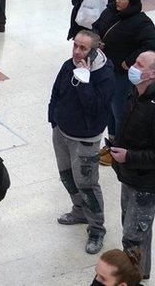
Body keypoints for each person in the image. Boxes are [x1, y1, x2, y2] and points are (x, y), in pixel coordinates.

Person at [109, 51, 155, 281]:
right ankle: (142, 271)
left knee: (133, 237)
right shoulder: (138, 92)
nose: (133, 66)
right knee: (135, 226)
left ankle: (131, 279)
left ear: (153, 73)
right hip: (130, 175)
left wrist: (129, 157)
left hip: (147, 182)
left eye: (140, 64)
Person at [49, 30, 113, 254]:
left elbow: (95, 109)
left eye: (83, 48)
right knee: (67, 176)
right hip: (62, 132)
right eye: (75, 45)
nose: (77, 52)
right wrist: (53, 119)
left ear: (96, 50)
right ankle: (78, 211)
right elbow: (57, 91)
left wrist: (85, 81)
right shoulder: (69, 65)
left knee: (87, 183)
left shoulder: (104, 75)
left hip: (85, 140)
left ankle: (96, 227)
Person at [92, 0, 155, 155]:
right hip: (106, 70)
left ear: (131, 1)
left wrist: (129, 61)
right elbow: (96, 26)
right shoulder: (110, 12)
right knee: (109, 109)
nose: (117, 0)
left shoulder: (141, 22)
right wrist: (96, 39)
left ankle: (121, 149)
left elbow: (154, 46)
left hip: (121, 76)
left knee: (120, 112)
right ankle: (112, 142)